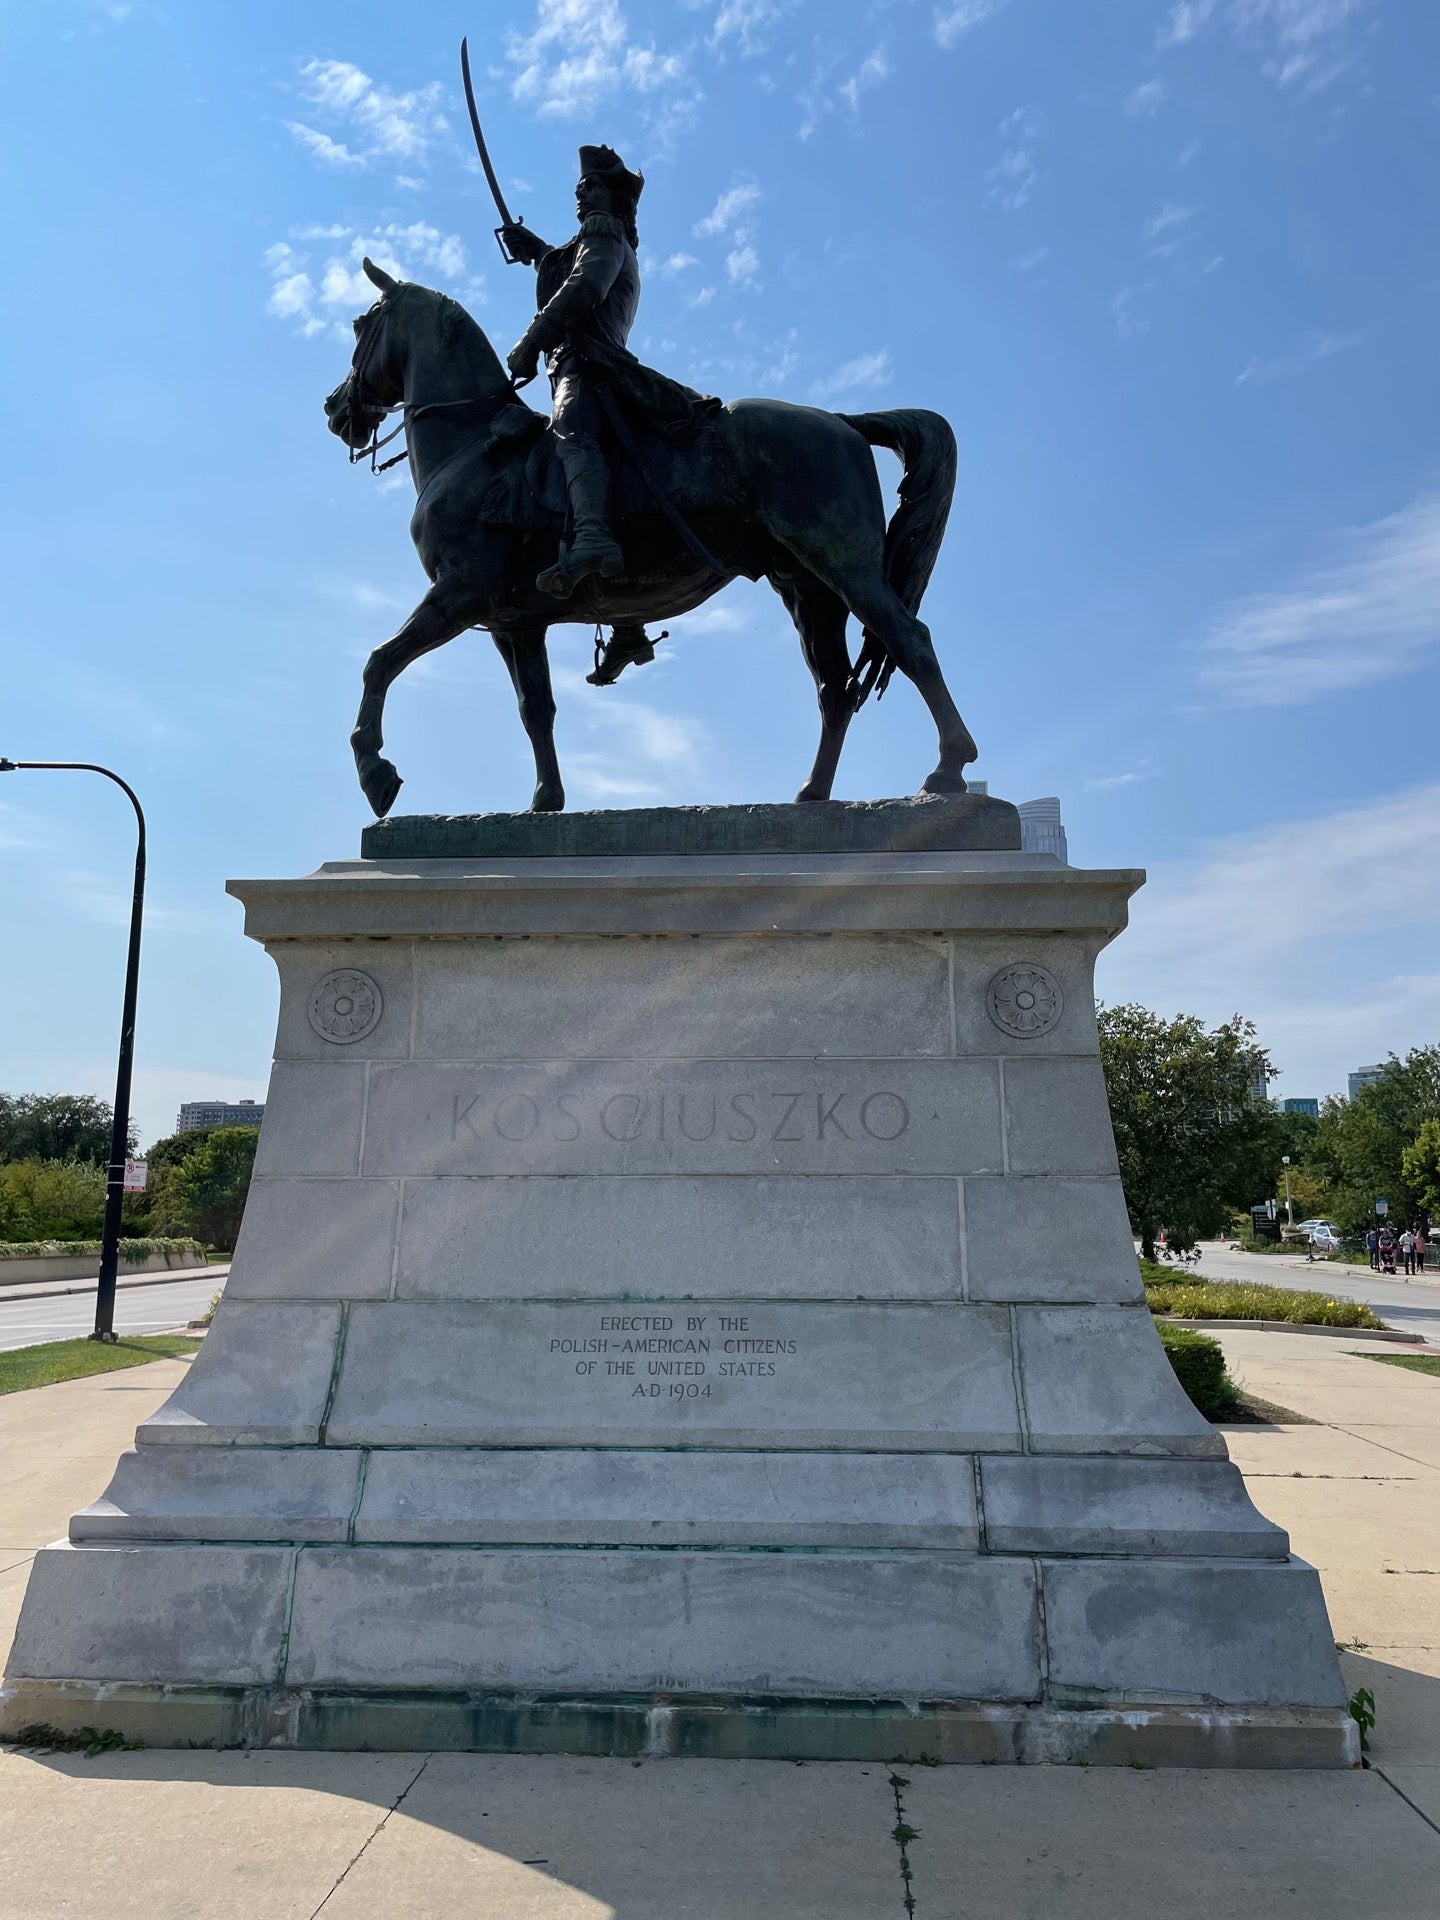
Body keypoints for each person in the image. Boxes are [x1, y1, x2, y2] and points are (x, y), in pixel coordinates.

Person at [500, 145, 645, 597]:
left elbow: (583, 287)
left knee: (570, 435)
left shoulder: (604, 233)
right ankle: (629, 622)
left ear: (614, 196)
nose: (581, 195)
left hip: (588, 365)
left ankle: (594, 538)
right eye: (578, 188)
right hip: (584, 365)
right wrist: (538, 251)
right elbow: (571, 267)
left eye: (591, 186)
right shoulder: (603, 238)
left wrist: (531, 340)